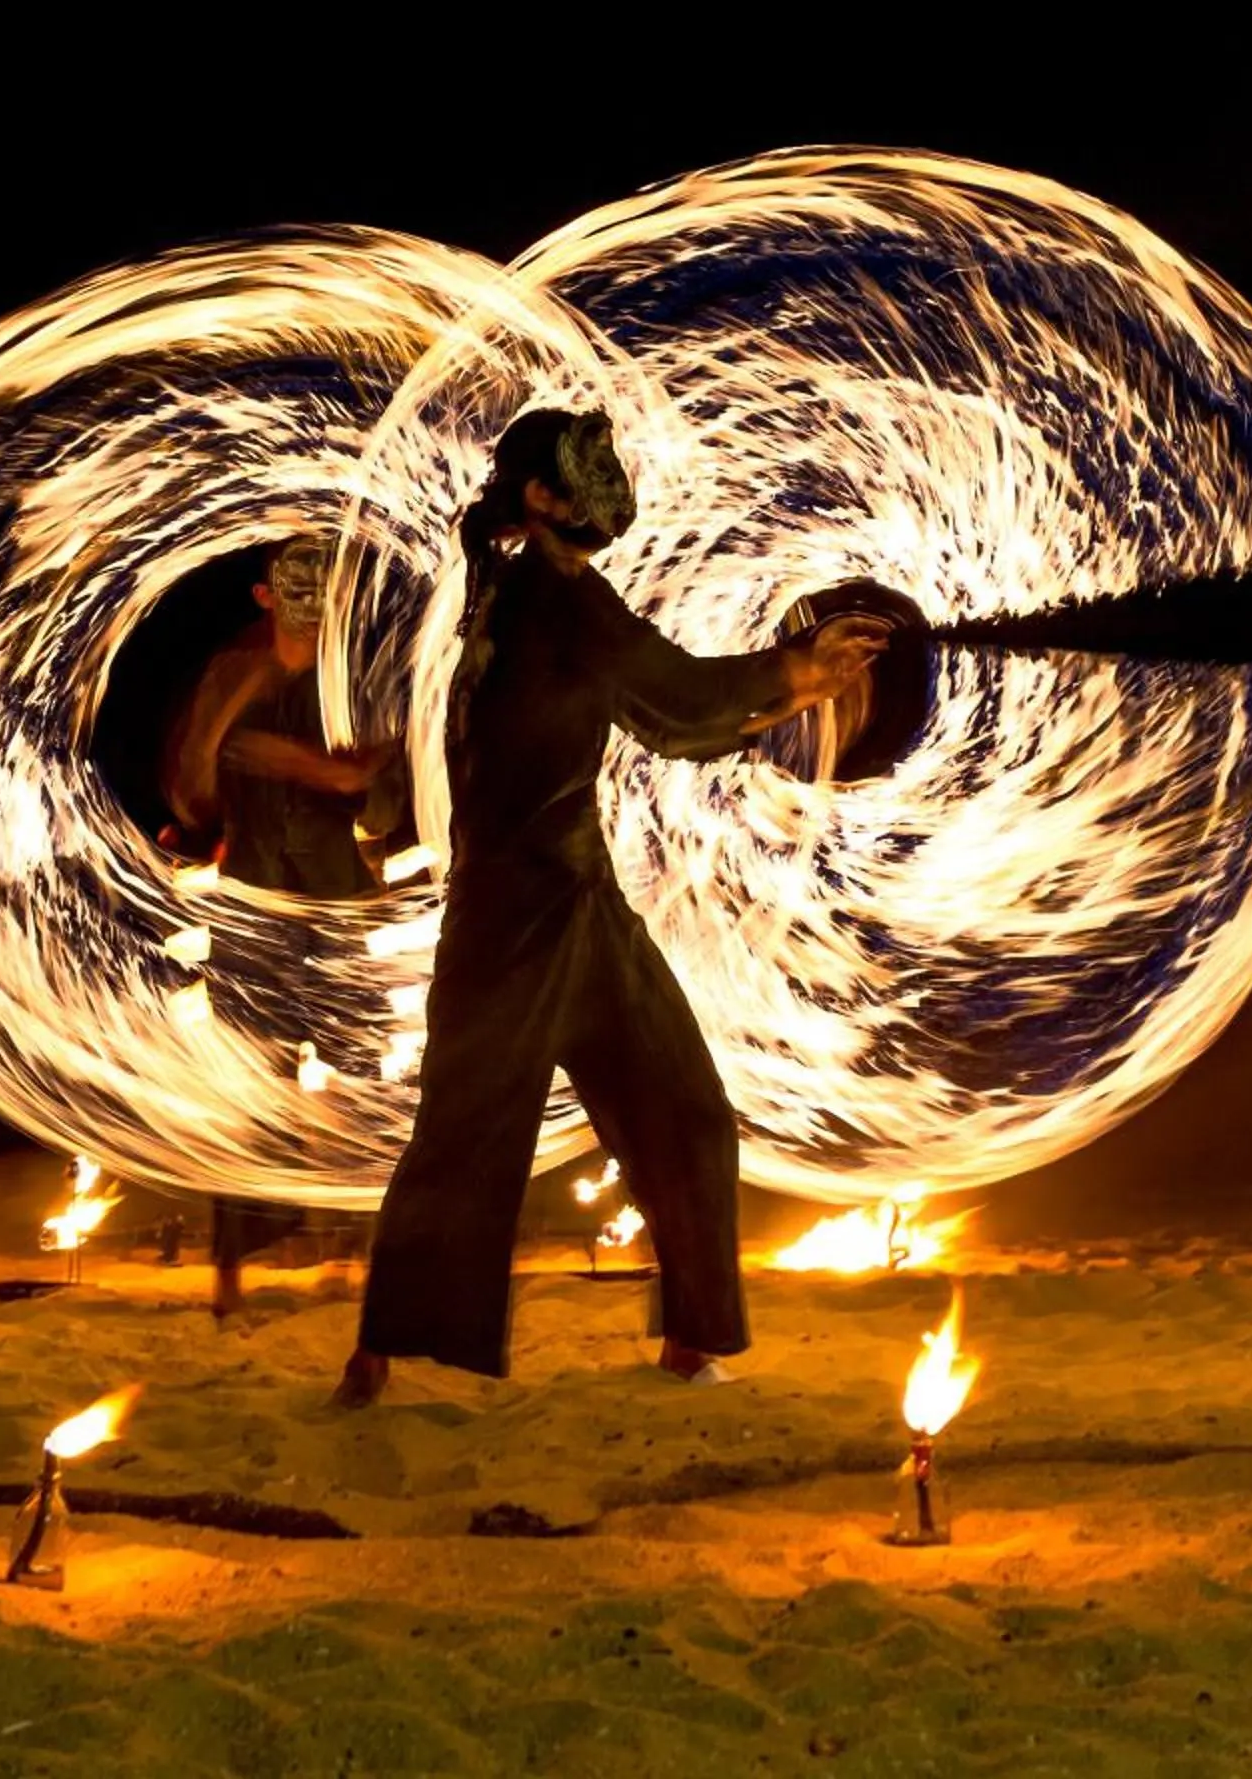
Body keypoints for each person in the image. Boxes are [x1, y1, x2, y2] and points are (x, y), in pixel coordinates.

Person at [334, 410, 886, 1406]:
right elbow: (677, 697)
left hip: (572, 900)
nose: (608, 491)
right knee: (469, 1135)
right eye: (584, 475)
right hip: (517, 916)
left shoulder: (524, 587)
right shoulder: (555, 598)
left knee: (681, 1110)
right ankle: (379, 1356)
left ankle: (689, 1339)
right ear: (542, 498)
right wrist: (797, 668)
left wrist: (797, 684)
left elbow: (663, 714)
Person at [161, 536, 399, 1318]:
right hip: (256, 907)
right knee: (254, 1085)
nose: (311, 598)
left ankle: (355, 1259)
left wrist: (325, 771)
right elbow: (192, 799)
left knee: (355, 1083)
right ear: (264, 597)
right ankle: (231, 1275)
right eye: (294, 583)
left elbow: (387, 800)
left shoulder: (355, 687)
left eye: (324, 583)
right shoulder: (232, 677)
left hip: (338, 904)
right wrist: (223, 737)